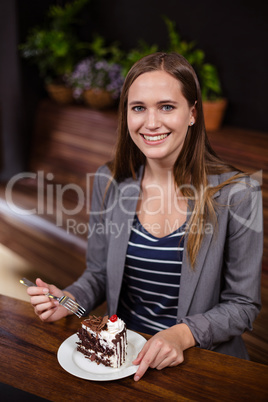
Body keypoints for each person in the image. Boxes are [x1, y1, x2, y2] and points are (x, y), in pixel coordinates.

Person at [26, 52, 263, 381]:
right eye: (138, 108)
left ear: (192, 113)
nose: (151, 122)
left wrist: (181, 335)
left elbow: (242, 305)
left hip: (200, 364)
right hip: (122, 360)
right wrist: (69, 299)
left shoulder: (238, 194)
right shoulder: (109, 182)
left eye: (167, 106)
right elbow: (98, 273)